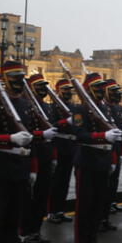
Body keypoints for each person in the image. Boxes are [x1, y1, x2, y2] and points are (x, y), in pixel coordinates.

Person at [0, 61, 56, 243]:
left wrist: (32, 168)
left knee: (13, 222)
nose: (19, 82)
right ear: (5, 79)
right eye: (14, 78)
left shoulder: (25, 104)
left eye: (21, 78)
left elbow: (30, 137)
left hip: (21, 169)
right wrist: (9, 139)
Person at [70, 72, 122, 243]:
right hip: (87, 160)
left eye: (102, 87)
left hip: (102, 161)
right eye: (97, 87)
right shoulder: (80, 109)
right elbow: (79, 134)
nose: (101, 90)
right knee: (84, 206)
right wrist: (101, 137)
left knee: (97, 206)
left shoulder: (104, 109)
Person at [19, 74, 58, 243]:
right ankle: (25, 232)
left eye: (44, 85)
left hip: (46, 153)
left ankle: (35, 231)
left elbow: (53, 133)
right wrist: (41, 135)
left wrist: (54, 156)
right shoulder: (28, 106)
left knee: (42, 195)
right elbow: (26, 133)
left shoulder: (47, 107)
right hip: (33, 153)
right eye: (39, 86)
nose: (43, 89)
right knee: (30, 198)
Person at [99, 79, 122, 232]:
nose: (116, 95)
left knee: (114, 180)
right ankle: (102, 214)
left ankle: (110, 204)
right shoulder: (104, 109)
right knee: (104, 184)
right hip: (107, 150)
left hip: (117, 148)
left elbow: (121, 134)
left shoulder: (117, 108)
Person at [47, 79, 77, 224]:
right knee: (56, 181)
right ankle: (52, 211)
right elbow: (51, 125)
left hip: (70, 146)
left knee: (65, 181)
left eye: (69, 90)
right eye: (64, 90)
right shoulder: (53, 107)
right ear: (57, 91)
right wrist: (65, 122)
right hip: (59, 145)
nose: (68, 92)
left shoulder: (72, 106)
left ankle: (60, 210)